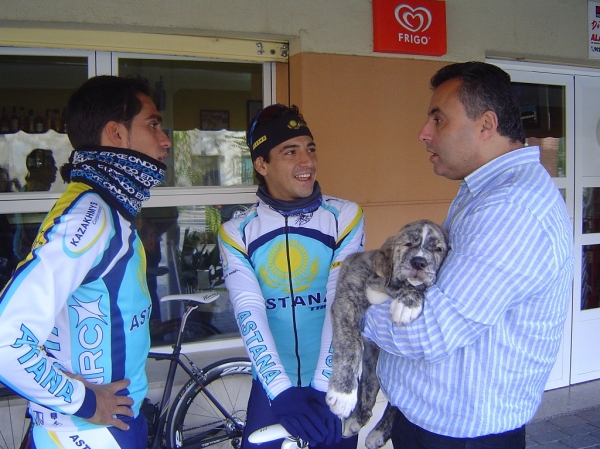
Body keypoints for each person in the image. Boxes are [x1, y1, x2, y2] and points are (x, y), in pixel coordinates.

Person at [363, 61, 574, 449]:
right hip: (441, 422)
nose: (424, 133)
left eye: (438, 120)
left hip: (461, 434)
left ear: (486, 125)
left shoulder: (511, 208)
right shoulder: (486, 190)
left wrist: (353, 302)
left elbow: (432, 333)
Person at [0, 75, 170, 448]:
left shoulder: (103, 207)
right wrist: (86, 402)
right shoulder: (90, 214)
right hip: (89, 433)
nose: (166, 140)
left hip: (104, 426)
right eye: (153, 124)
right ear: (115, 133)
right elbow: (6, 339)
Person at [218, 104, 365, 449]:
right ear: (261, 164)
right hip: (273, 388)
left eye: (310, 149)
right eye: (291, 151)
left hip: (333, 386)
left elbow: (342, 299)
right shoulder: (235, 231)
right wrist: (281, 391)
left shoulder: (344, 216)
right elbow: (248, 309)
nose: (308, 162)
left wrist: (324, 383)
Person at [13, 148, 59, 261]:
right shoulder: (37, 193)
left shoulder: (28, 189)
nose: (55, 169)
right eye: (51, 165)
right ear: (39, 170)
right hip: (29, 253)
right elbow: (37, 230)